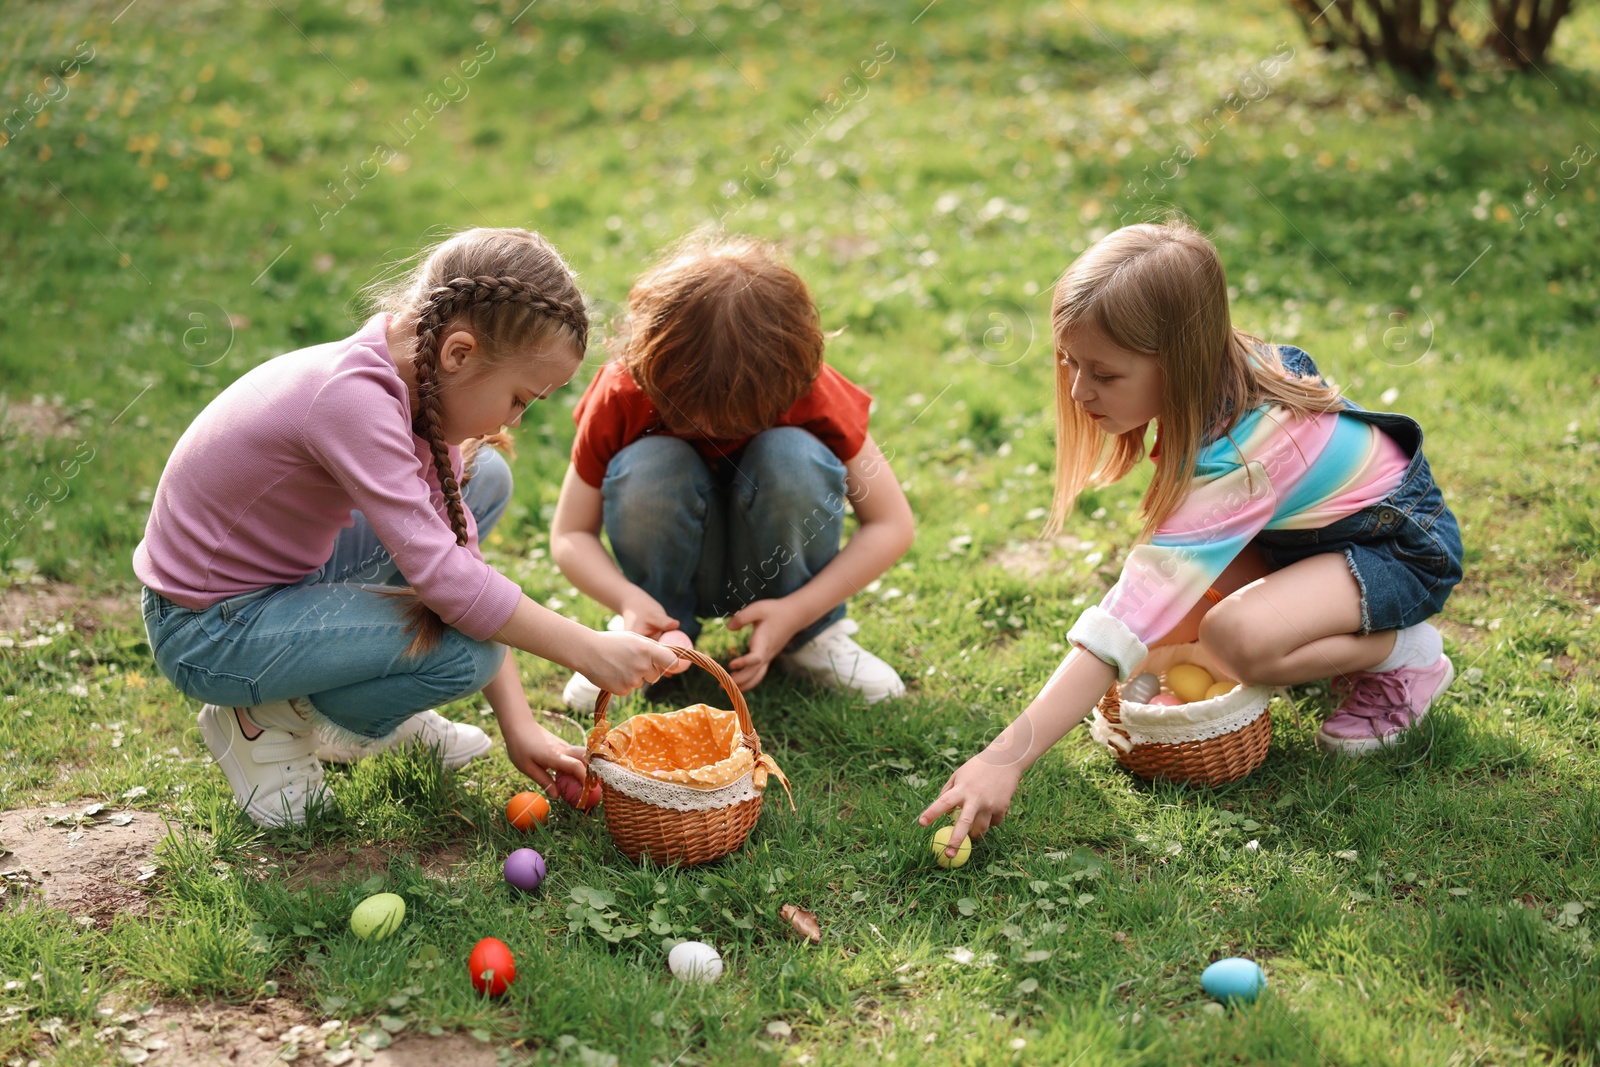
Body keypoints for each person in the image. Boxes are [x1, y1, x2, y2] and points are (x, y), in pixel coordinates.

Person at [920, 221, 1462, 857]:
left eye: (1104, 373)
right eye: (1069, 362)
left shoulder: (1249, 449)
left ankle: (1403, 652)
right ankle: (1334, 627)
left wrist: (1004, 758)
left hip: (1397, 550)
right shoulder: (1216, 378)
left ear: (1176, 363)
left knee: (1234, 642)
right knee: (1181, 620)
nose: (1077, 390)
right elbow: (1149, 603)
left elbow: (1130, 610)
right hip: (1314, 544)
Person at [134, 227, 679, 828]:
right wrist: (588, 648)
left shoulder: (411, 383)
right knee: (464, 655)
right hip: (208, 632)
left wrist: (520, 727)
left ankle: (361, 693)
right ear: (459, 354)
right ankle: (263, 718)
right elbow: (450, 585)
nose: (515, 419)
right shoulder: (353, 400)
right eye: (520, 398)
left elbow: (460, 566)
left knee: (484, 475)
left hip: (277, 581)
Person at [550, 234, 914, 708]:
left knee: (793, 456)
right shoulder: (625, 389)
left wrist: (796, 611)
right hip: (668, 584)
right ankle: (648, 640)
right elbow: (570, 534)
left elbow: (892, 523)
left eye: (737, 422)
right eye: (694, 419)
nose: (713, 432)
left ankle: (807, 638)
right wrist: (629, 601)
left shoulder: (805, 386)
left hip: (780, 577)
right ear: (653, 370)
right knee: (648, 464)